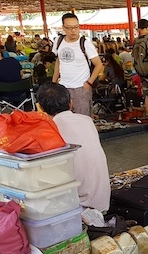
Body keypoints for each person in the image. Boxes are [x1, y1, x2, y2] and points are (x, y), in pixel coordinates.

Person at [36, 82, 110, 212]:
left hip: (80, 211)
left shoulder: (49, 130)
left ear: (40, 108)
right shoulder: (87, 121)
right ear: (70, 103)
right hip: (102, 202)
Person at [52, 13, 102, 117]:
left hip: (81, 88)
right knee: (64, 120)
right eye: (69, 28)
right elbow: (59, 61)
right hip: (63, 88)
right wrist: (54, 83)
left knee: (83, 120)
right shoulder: (58, 41)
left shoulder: (85, 43)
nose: (73, 31)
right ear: (63, 28)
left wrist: (89, 83)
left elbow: (98, 65)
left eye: (76, 27)